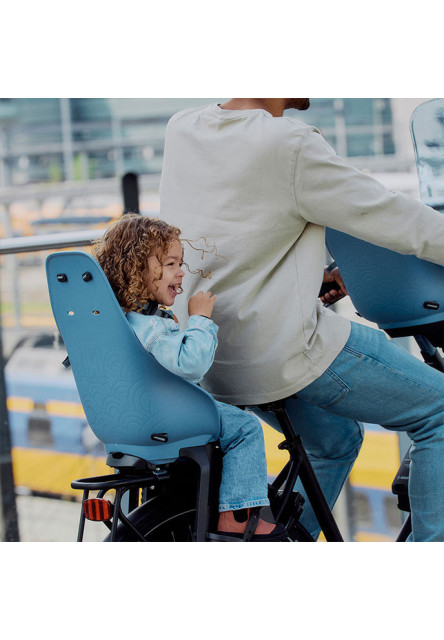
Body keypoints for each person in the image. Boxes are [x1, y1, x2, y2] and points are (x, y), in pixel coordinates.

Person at [159, 98, 444, 542]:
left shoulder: (183, 129)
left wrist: (310, 276)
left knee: (335, 443)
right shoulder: (289, 143)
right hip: (280, 351)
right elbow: (394, 216)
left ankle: (282, 544)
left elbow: (235, 238)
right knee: (440, 411)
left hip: (209, 354)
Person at [94, 213, 287, 541]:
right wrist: (200, 319)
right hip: (168, 415)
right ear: (136, 268)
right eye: (170, 264)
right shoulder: (150, 325)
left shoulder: (116, 321)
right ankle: (239, 518)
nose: (181, 273)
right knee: (245, 429)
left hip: (129, 417)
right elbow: (192, 364)